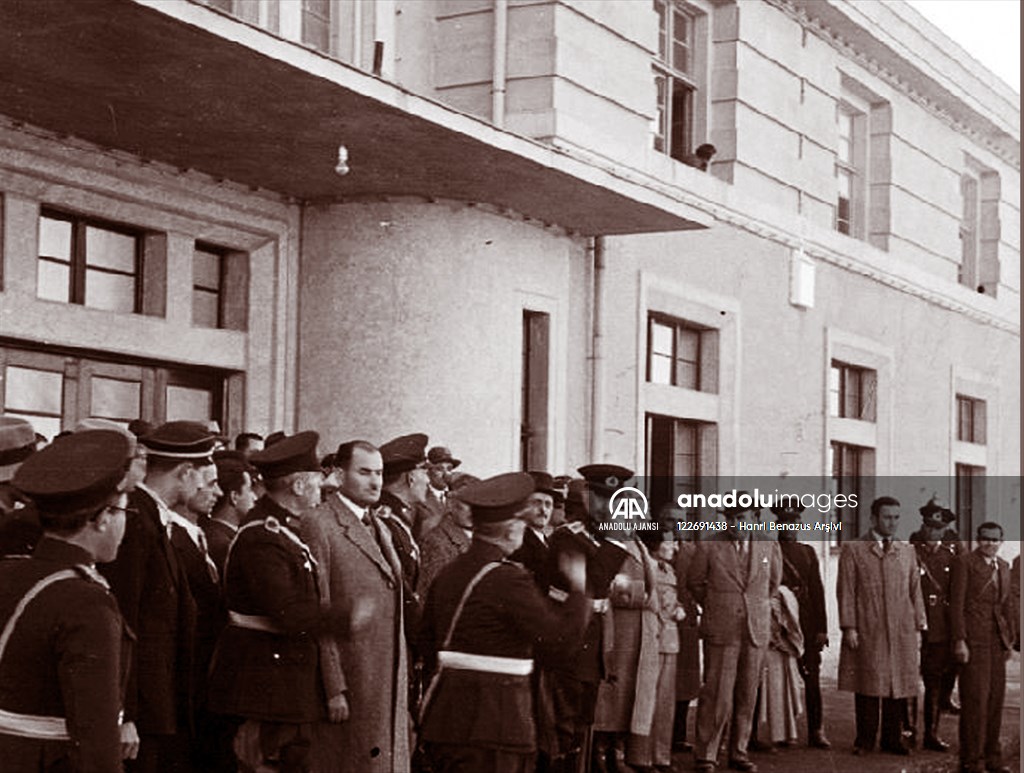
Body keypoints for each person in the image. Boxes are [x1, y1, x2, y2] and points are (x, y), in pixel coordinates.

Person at [419, 472, 591, 773]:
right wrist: (579, 590)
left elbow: (425, 639)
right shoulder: (507, 578)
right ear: (512, 529)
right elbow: (559, 644)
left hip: (444, 719)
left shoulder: (450, 573)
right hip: (496, 723)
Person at [0, 429, 138, 771]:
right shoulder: (86, 601)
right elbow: (96, 735)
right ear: (102, 519)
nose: (125, 524)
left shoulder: (9, 572)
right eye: (123, 512)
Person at [100, 420, 218, 772]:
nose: (203, 486)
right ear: (185, 472)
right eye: (201, 475)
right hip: (143, 715)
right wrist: (125, 714)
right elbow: (124, 620)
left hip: (160, 707)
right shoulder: (137, 522)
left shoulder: (152, 518)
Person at [207, 431, 329, 773]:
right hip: (264, 685)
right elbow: (287, 612)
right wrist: (346, 617)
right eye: (317, 482)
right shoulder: (263, 536)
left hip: (281, 685)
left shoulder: (280, 530)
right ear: (299, 486)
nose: (321, 489)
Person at [302, 439, 411, 773]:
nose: (375, 482)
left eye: (378, 473)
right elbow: (319, 606)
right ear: (338, 474)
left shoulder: (379, 525)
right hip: (353, 676)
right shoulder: (319, 523)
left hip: (386, 678)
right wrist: (334, 685)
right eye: (364, 472)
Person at [687, 495, 781, 773]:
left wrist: (755, 607)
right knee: (716, 692)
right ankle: (706, 754)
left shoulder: (768, 543)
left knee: (747, 694)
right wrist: (718, 606)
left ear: (754, 518)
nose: (735, 525)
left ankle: (738, 752)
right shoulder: (709, 543)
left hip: (755, 631)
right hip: (722, 629)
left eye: (741, 518)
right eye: (730, 518)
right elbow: (694, 582)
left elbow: (773, 584)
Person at [545, 465, 630, 773]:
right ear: (589, 498)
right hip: (570, 644)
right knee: (565, 728)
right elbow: (593, 584)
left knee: (583, 724)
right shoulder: (569, 538)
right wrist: (618, 542)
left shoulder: (599, 539)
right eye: (606, 500)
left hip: (590, 647)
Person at [838, 496, 926, 757]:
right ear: (873, 518)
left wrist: (919, 625)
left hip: (900, 629)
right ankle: (864, 739)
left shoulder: (907, 551)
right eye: (887, 517)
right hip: (869, 625)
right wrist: (849, 626)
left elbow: (915, 591)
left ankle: (892, 739)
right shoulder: (854, 549)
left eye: (896, 517)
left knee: (896, 685)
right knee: (868, 682)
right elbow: (846, 591)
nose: (892, 522)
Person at [951, 521, 1014, 773]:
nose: (990, 544)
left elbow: (1006, 606)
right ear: (978, 539)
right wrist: (959, 640)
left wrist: (1008, 640)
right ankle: (971, 760)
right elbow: (956, 605)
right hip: (973, 641)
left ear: (1001, 541)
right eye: (986, 539)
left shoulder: (1004, 567)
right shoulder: (964, 563)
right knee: (975, 701)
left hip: (996, 642)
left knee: (995, 701)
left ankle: (992, 758)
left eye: (995, 539)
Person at [772, 503, 830, 749]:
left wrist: (822, 628)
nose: (790, 529)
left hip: (805, 623)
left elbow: (817, 591)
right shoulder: (771, 551)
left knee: (812, 680)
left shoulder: (807, 552)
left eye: (794, 524)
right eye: (785, 524)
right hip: (780, 622)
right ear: (777, 525)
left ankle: (816, 730)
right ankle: (784, 731)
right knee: (779, 678)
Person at [628, 530, 686, 773]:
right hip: (653, 638)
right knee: (646, 701)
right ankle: (642, 758)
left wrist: (680, 608)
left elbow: (673, 598)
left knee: (664, 703)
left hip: (670, 641)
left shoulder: (668, 569)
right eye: (669, 540)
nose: (674, 545)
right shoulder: (647, 567)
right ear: (656, 544)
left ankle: (661, 757)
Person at [913, 501, 958, 752]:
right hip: (913, 626)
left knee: (933, 683)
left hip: (939, 628)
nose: (932, 532)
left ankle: (931, 734)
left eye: (937, 528)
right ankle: (907, 731)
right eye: (928, 527)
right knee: (908, 681)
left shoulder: (951, 557)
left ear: (944, 531)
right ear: (923, 527)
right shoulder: (911, 553)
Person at [417, 471, 478, 596]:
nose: (474, 510)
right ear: (450, 503)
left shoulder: (478, 536)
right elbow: (432, 595)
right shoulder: (437, 542)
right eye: (467, 503)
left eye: (478, 503)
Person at [201, 450, 257, 576]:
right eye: (249, 489)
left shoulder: (211, 533)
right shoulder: (226, 545)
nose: (254, 497)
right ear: (234, 497)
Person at [419, 445, 459, 540]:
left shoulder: (457, 497)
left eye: (449, 469)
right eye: (439, 469)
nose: (446, 474)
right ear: (428, 472)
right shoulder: (420, 498)